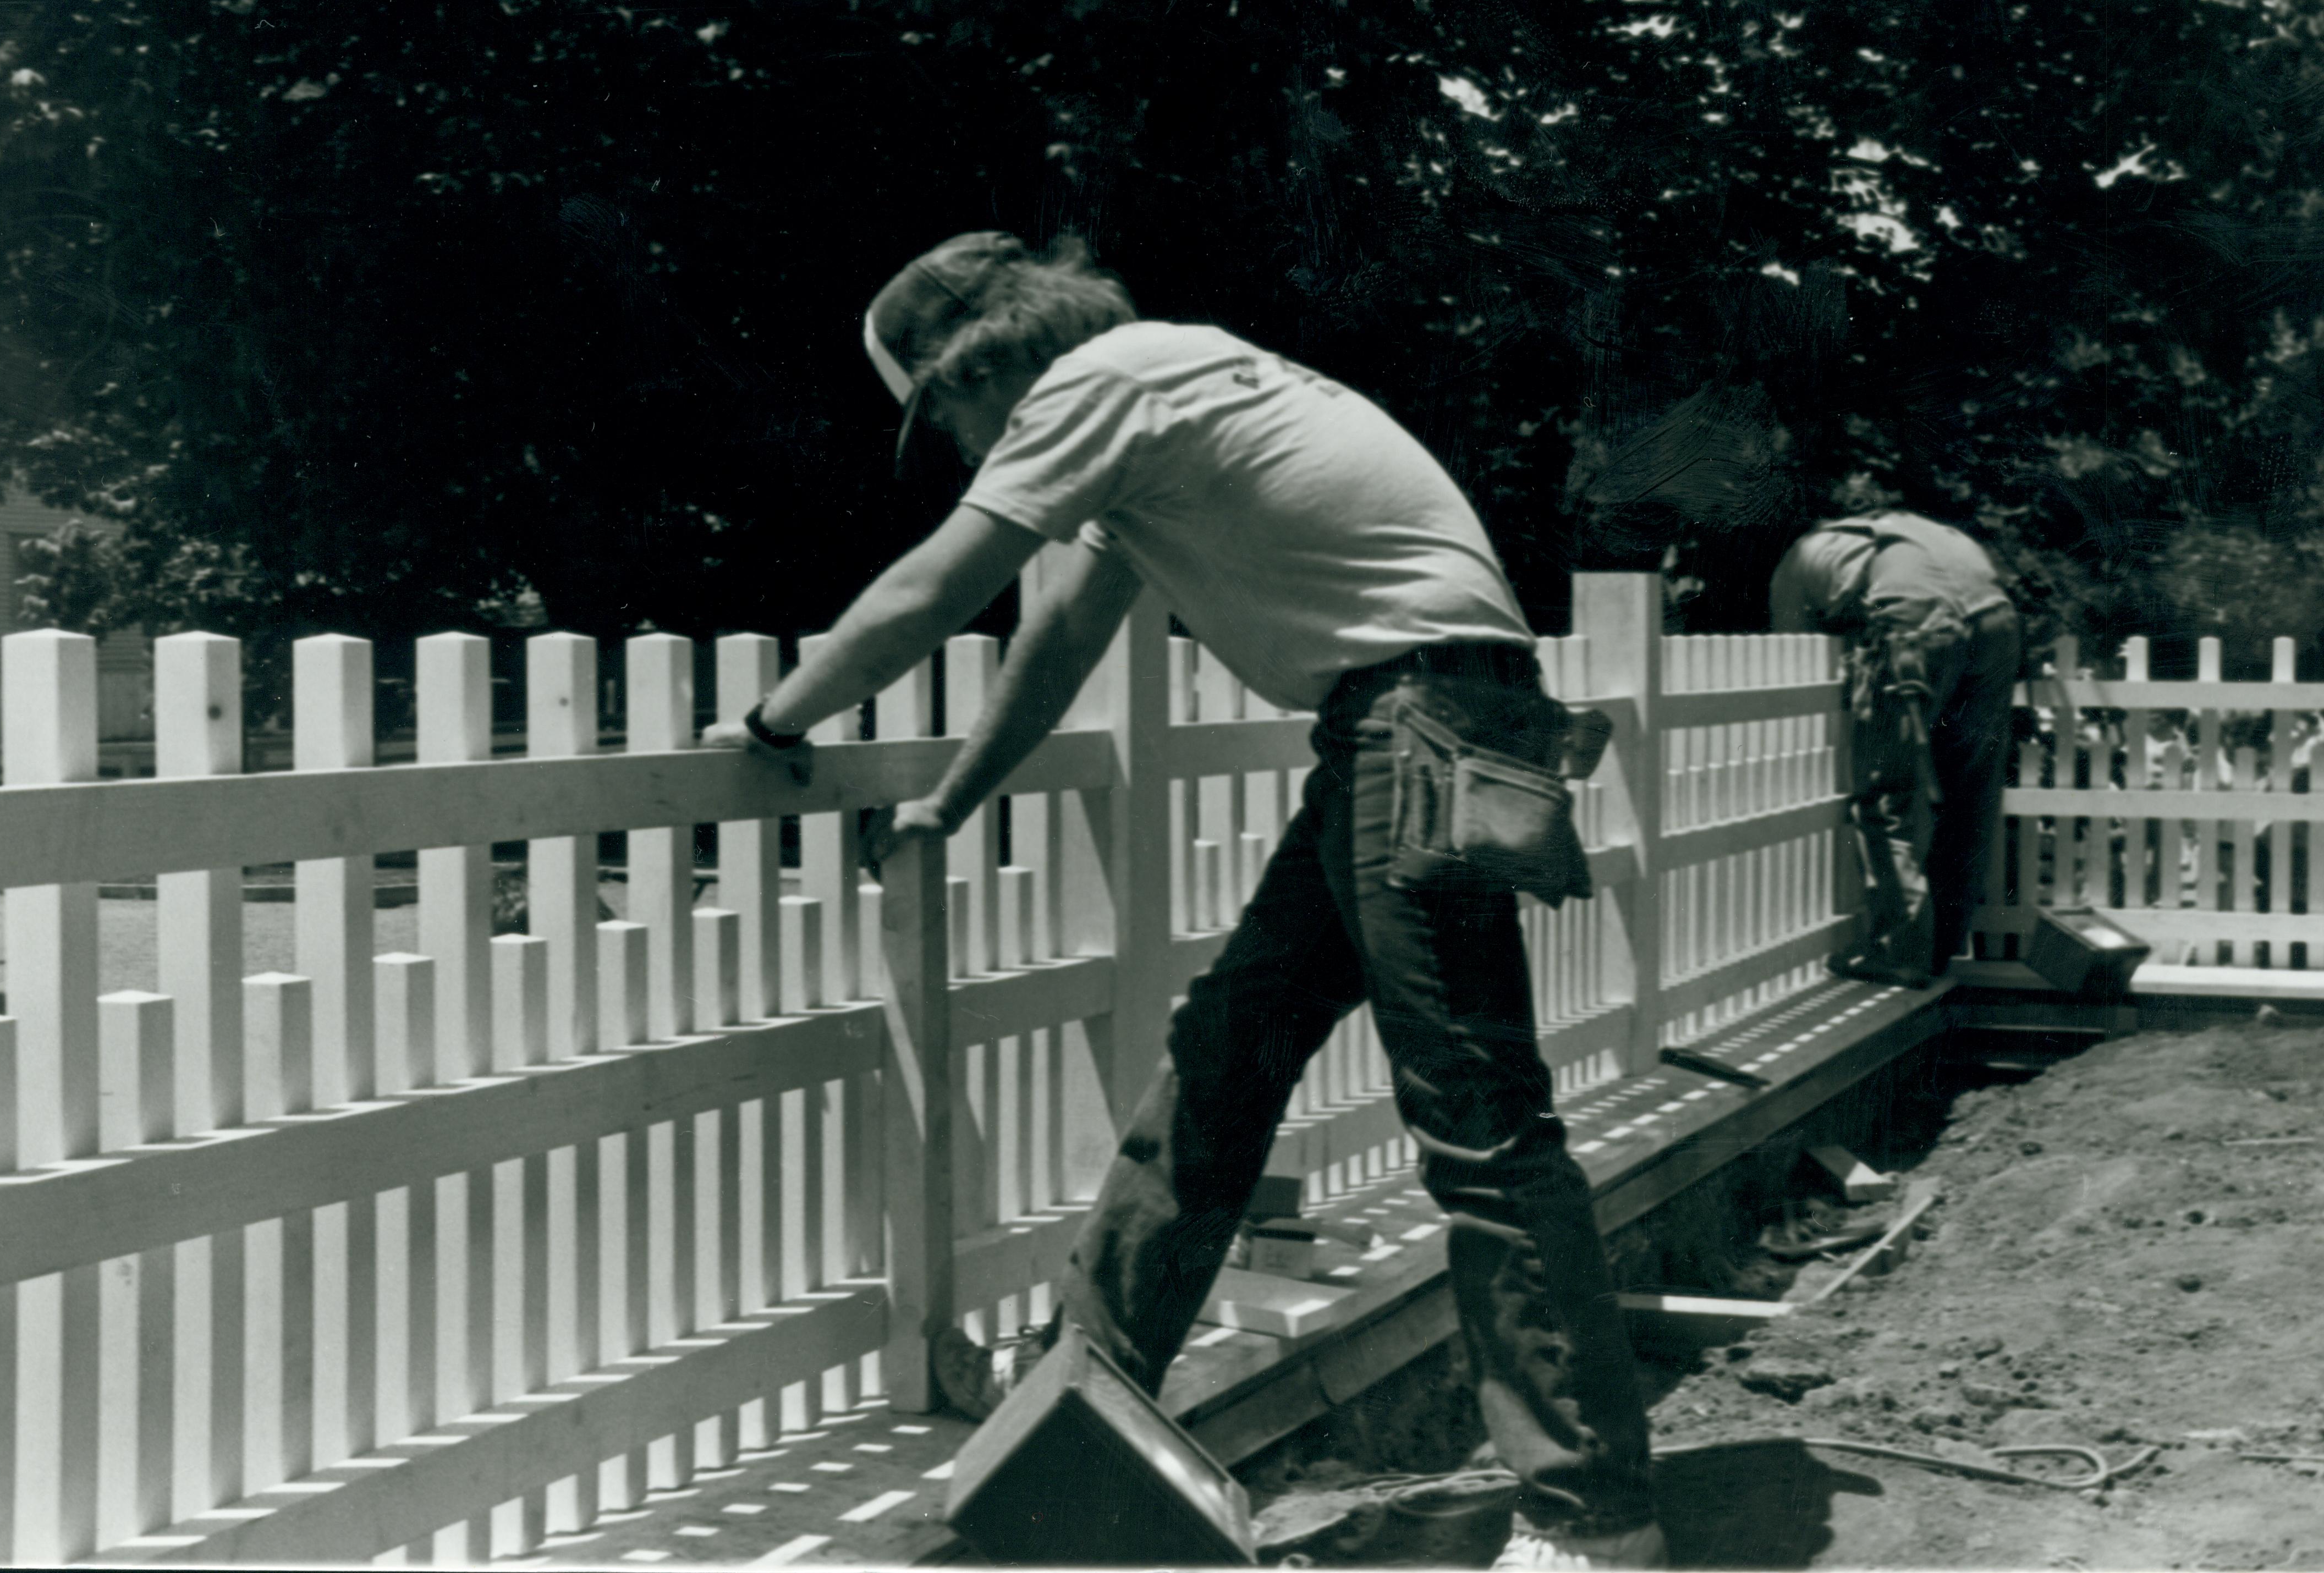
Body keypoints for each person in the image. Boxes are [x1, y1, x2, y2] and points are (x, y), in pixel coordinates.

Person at [701, 232, 1663, 1570]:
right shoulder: (1168, 386)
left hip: (1418, 724)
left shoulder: (1101, 384)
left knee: (1485, 1131)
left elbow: (944, 583)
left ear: (975, 364)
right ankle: (1061, 1414)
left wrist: (769, 718)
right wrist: (953, 800)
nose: (970, 449)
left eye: (949, 418)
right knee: (1224, 1058)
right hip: (1408, 723)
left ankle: (1595, 1520)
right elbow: (1063, 628)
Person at [1769, 504, 2021, 987]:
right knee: (1970, 794)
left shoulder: (1797, 564)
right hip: (1997, 615)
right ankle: (1942, 948)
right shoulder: (1906, 530)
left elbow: (1791, 664)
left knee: (1887, 792)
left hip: (1918, 617)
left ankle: (1902, 952)